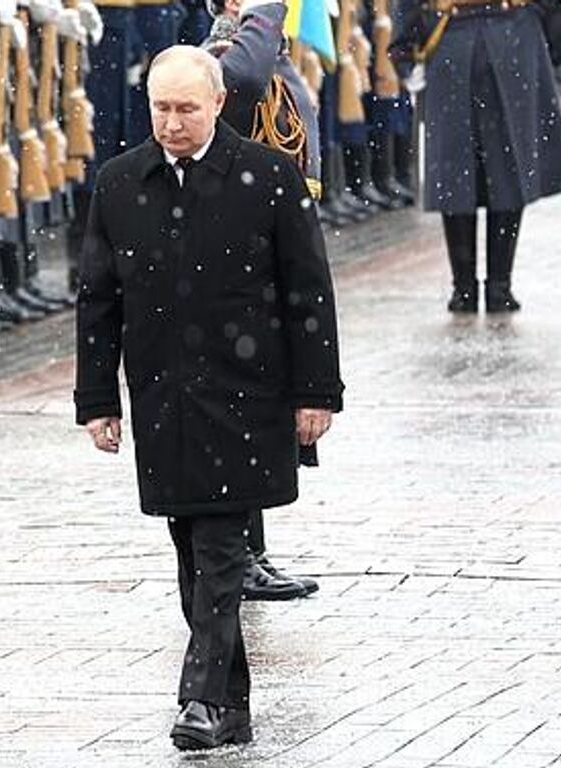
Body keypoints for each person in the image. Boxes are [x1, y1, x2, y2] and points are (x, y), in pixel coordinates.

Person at [74, 46, 342, 750]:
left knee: (222, 550)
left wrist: (318, 392)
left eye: (186, 108)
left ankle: (197, 700)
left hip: (247, 396)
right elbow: (98, 299)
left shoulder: (267, 178)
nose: (171, 122)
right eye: (161, 108)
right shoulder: (120, 182)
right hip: (165, 396)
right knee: (193, 554)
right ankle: (234, 708)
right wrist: (97, 399)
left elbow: (307, 289)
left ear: (218, 103)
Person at [202, 0, 322, 601]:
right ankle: (238, 560)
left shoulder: (260, 53)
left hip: (264, 268)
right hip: (228, 277)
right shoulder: (216, 57)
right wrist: (266, 12)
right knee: (239, 422)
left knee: (262, 420)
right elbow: (243, 79)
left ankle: (254, 552)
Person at [394, 0, 561, 313]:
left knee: (466, 166)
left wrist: (404, 46)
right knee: (491, 164)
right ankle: (493, 286)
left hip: (473, 32)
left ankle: (471, 287)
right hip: (485, 32)